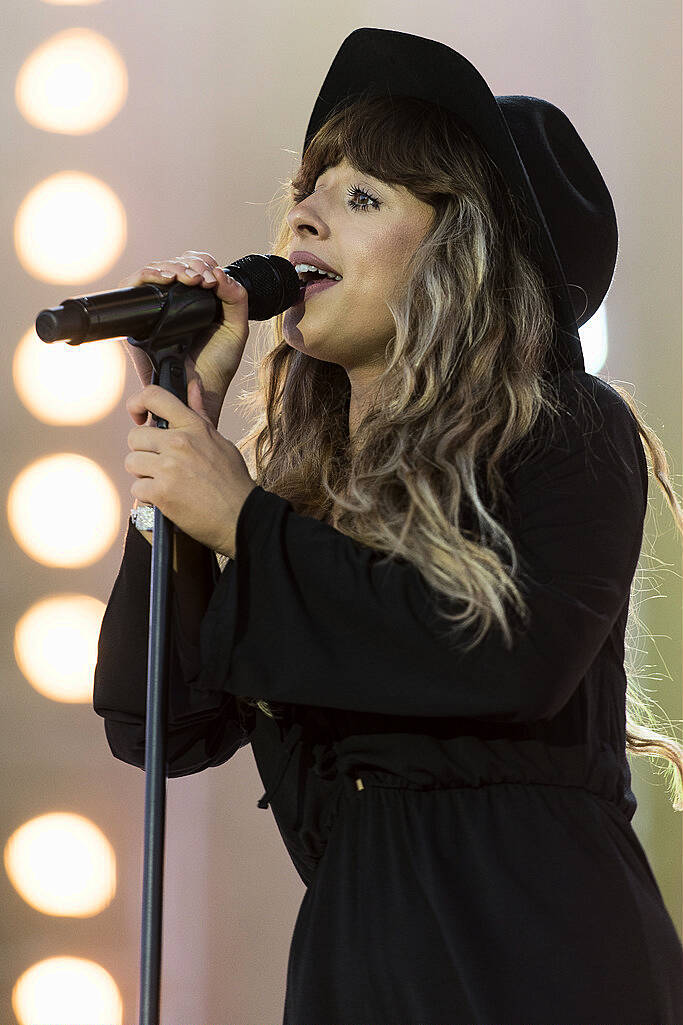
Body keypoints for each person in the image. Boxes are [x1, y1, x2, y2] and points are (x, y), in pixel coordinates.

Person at [93, 27, 683, 1025]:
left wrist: (240, 518)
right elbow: (156, 724)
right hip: (355, 971)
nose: (305, 213)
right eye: (308, 188)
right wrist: (180, 457)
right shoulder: (300, 504)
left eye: (361, 197)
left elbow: (503, 657)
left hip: (534, 965)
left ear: (461, 253)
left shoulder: (569, 429)